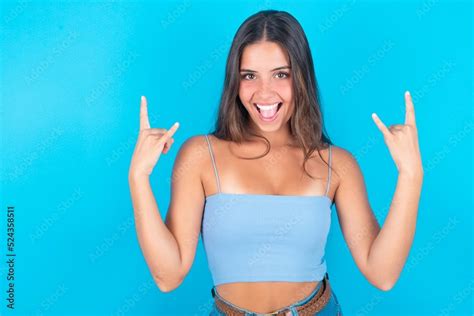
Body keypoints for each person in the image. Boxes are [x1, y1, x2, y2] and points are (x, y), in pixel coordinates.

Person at [128, 9, 423, 316]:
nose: (264, 92)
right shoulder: (201, 156)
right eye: (249, 75)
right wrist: (138, 178)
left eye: (281, 74)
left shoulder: (336, 165)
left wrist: (410, 175)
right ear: (235, 81)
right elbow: (168, 275)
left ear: (301, 78)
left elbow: (382, 273)